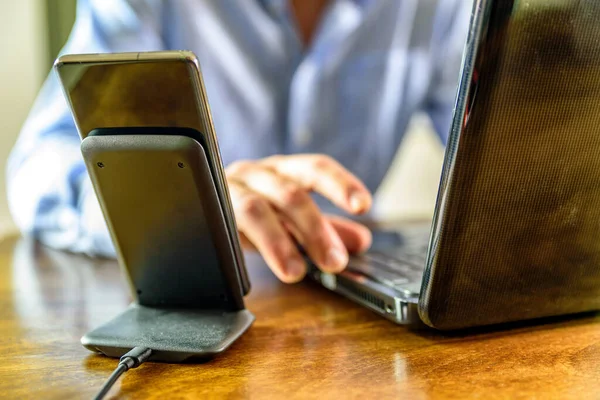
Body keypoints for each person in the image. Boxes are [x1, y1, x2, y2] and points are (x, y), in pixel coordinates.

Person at [7, 0, 470, 283]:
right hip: (195, 301)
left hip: (353, 286)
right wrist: (183, 204)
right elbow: (39, 170)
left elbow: (500, 145)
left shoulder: (443, 6)